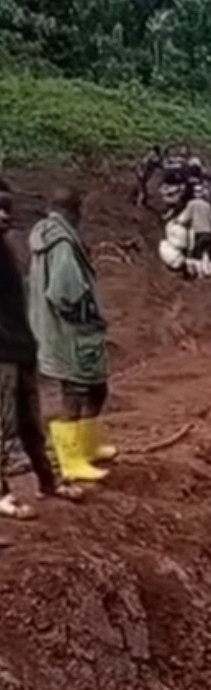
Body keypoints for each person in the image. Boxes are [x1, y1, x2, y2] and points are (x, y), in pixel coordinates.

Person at [0, 182, 81, 532]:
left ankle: (47, 481)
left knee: (31, 421)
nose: (5, 214)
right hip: (2, 352)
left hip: (21, 347)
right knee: (2, 426)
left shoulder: (7, 249)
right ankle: (2, 493)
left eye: (7, 207)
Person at [26, 188, 114, 483]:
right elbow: (65, 292)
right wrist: (86, 315)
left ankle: (87, 445)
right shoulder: (62, 243)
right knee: (75, 392)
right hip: (70, 333)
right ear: (74, 211)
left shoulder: (46, 236)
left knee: (97, 388)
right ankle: (70, 459)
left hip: (54, 329)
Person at [177, 183, 211, 276]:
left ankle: (200, 274)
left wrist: (179, 222)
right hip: (209, 233)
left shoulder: (192, 204)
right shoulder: (207, 205)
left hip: (199, 233)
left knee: (197, 255)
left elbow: (186, 217)